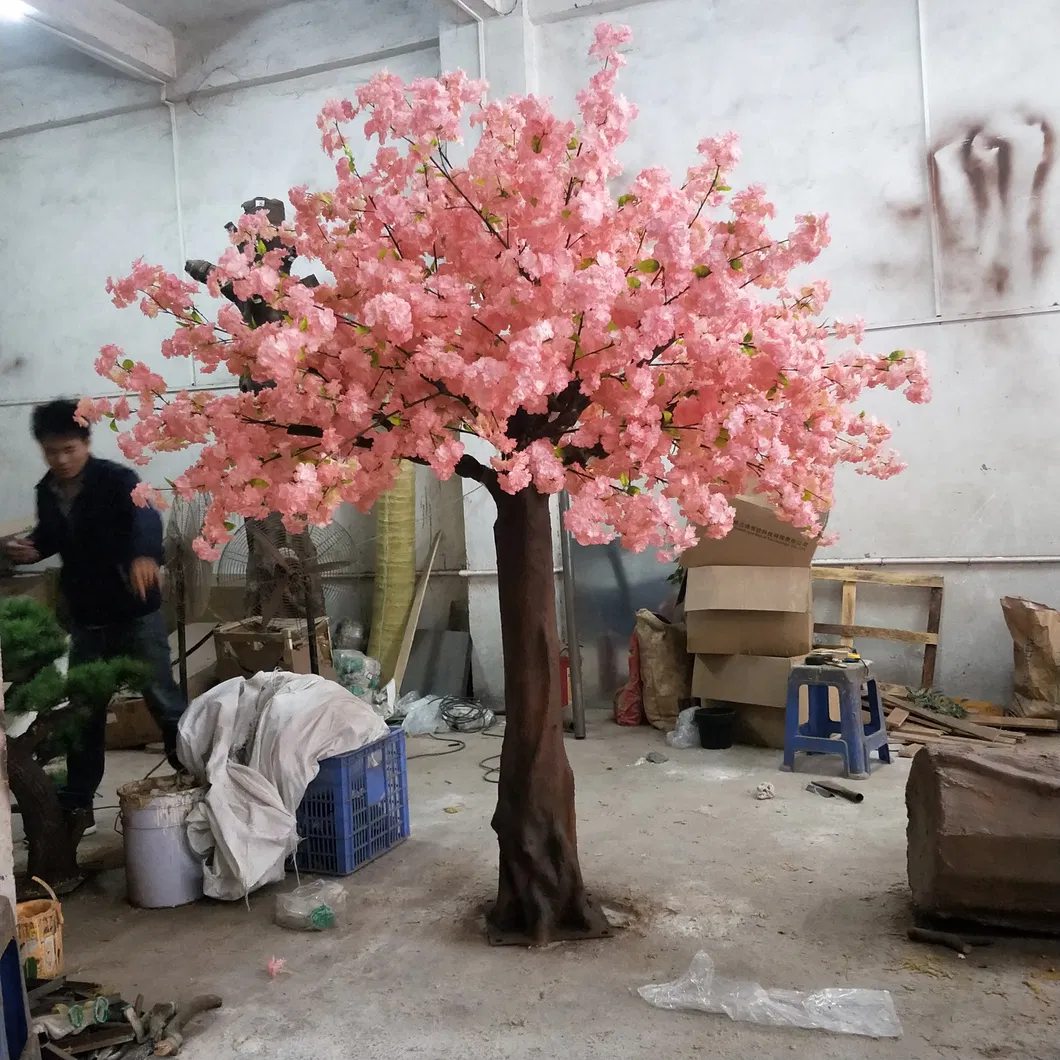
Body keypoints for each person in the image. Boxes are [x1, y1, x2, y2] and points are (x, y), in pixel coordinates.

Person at [1, 399, 185, 835]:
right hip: (85, 617)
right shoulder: (47, 491)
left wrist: (144, 555)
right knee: (84, 712)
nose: (62, 460)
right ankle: (78, 802)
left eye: (69, 449)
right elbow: (52, 537)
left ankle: (197, 774)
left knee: (163, 699)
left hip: (134, 611)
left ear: (86, 442)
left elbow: (146, 518)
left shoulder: (117, 479)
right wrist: (29, 549)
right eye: (52, 451)